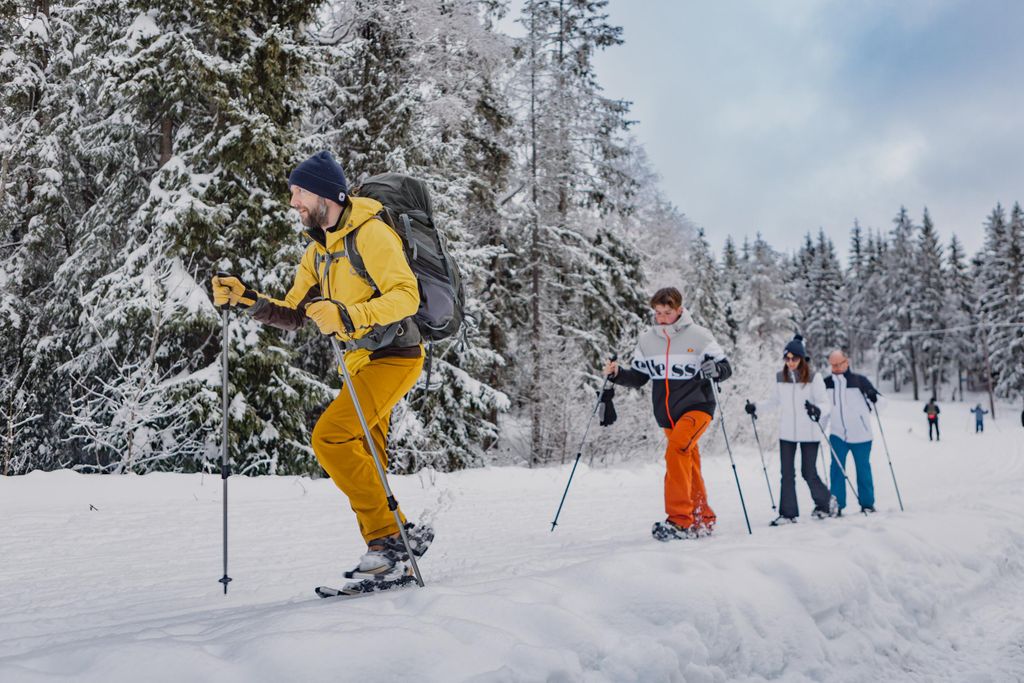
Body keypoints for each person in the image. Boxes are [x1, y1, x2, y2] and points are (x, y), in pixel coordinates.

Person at [211, 150, 432, 581]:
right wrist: (246, 300)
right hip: (358, 363)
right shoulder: (318, 253)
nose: (293, 202)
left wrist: (349, 316)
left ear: (326, 195)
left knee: (330, 437)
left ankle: (391, 538)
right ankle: (394, 550)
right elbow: (295, 314)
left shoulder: (371, 234)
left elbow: (406, 295)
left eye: (299, 192)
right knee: (366, 458)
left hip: (394, 356)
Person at [604, 287, 732, 541]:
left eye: (668, 312)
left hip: (698, 408)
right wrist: (618, 374)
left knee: (676, 451)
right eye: (658, 312)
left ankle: (679, 521)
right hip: (667, 415)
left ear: (680, 310)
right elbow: (640, 377)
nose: (662, 318)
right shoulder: (647, 340)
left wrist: (714, 368)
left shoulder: (699, 336)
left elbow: (726, 368)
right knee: (688, 462)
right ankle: (701, 517)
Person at [745, 335, 837, 525]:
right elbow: (774, 402)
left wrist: (817, 409)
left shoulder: (814, 378)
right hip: (787, 433)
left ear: (802, 359)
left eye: (794, 359)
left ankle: (826, 503)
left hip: (809, 433)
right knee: (786, 473)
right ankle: (788, 513)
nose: (790, 362)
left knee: (807, 471)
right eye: (787, 359)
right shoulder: (781, 377)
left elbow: (825, 403)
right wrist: (756, 407)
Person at [823, 350, 884, 515]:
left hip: (861, 435)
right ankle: (837, 505)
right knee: (836, 469)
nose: (836, 368)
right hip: (837, 435)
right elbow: (824, 409)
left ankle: (867, 504)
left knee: (863, 469)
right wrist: (818, 426)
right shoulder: (826, 383)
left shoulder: (859, 381)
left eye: (839, 364)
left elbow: (882, 404)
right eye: (833, 365)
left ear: (846, 362)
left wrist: (873, 396)